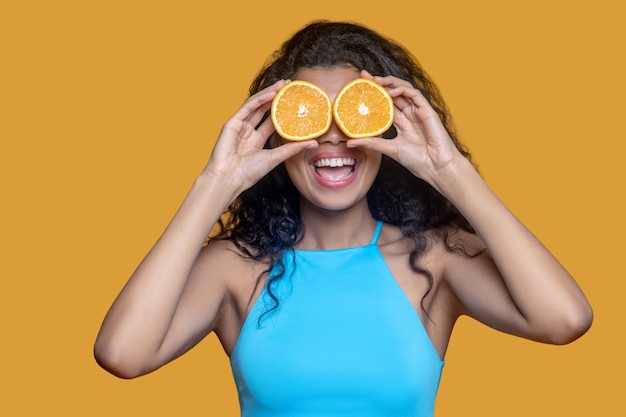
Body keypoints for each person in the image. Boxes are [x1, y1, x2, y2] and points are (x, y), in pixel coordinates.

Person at [94, 20, 593, 416]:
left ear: (388, 129)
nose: (333, 137)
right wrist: (216, 183)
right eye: (311, 116)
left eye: (353, 114)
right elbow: (122, 355)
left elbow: (564, 319)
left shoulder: (435, 260)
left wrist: (449, 170)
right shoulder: (235, 267)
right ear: (278, 135)